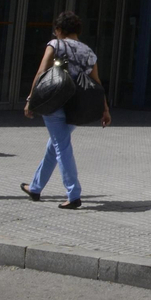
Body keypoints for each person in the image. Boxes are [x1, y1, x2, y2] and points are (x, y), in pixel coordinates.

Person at [21, 11, 109, 208]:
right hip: (79, 107)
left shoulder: (55, 45)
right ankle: (35, 188)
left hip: (54, 102)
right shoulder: (88, 52)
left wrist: (31, 100)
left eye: (56, 30)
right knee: (55, 146)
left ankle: (74, 194)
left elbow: (41, 73)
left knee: (61, 147)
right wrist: (105, 109)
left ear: (59, 30)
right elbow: (97, 83)